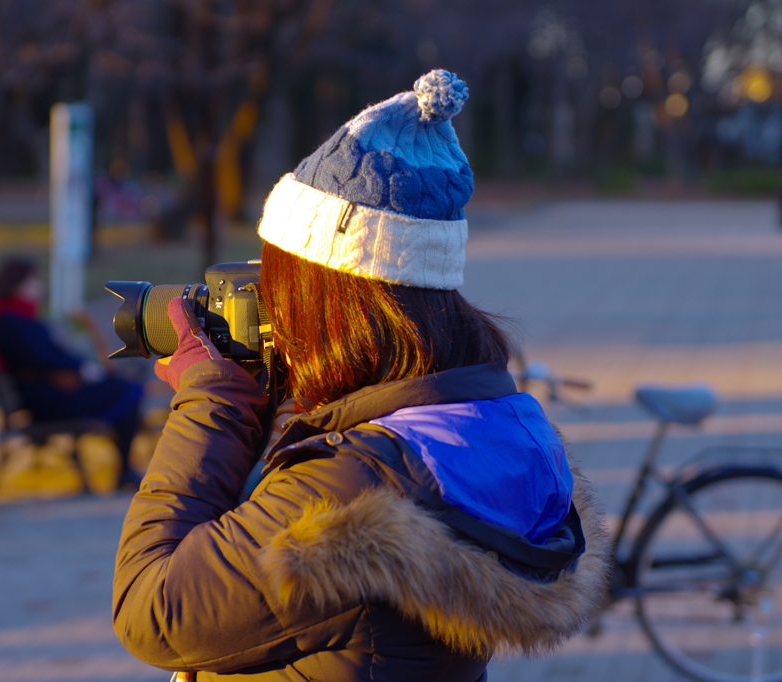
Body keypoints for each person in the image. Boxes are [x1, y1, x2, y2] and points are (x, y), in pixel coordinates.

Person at [113, 70, 610, 681]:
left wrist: (211, 397)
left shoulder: (350, 495)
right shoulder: (477, 434)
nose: (273, 303)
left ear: (328, 300)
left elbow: (153, 612)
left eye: (283, 284)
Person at [0, 257, 144, 490]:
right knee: (128, 389)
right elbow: (43, 359)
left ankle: (125, 469)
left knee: (122, 386)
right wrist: (83, 370)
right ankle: (124, 470)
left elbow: (49, 355)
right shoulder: (8, 321)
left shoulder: (14, 318)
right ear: (16, 285)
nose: (38, 287)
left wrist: (84, 369)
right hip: (47, 401)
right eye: (32, 281)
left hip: (47, 395)